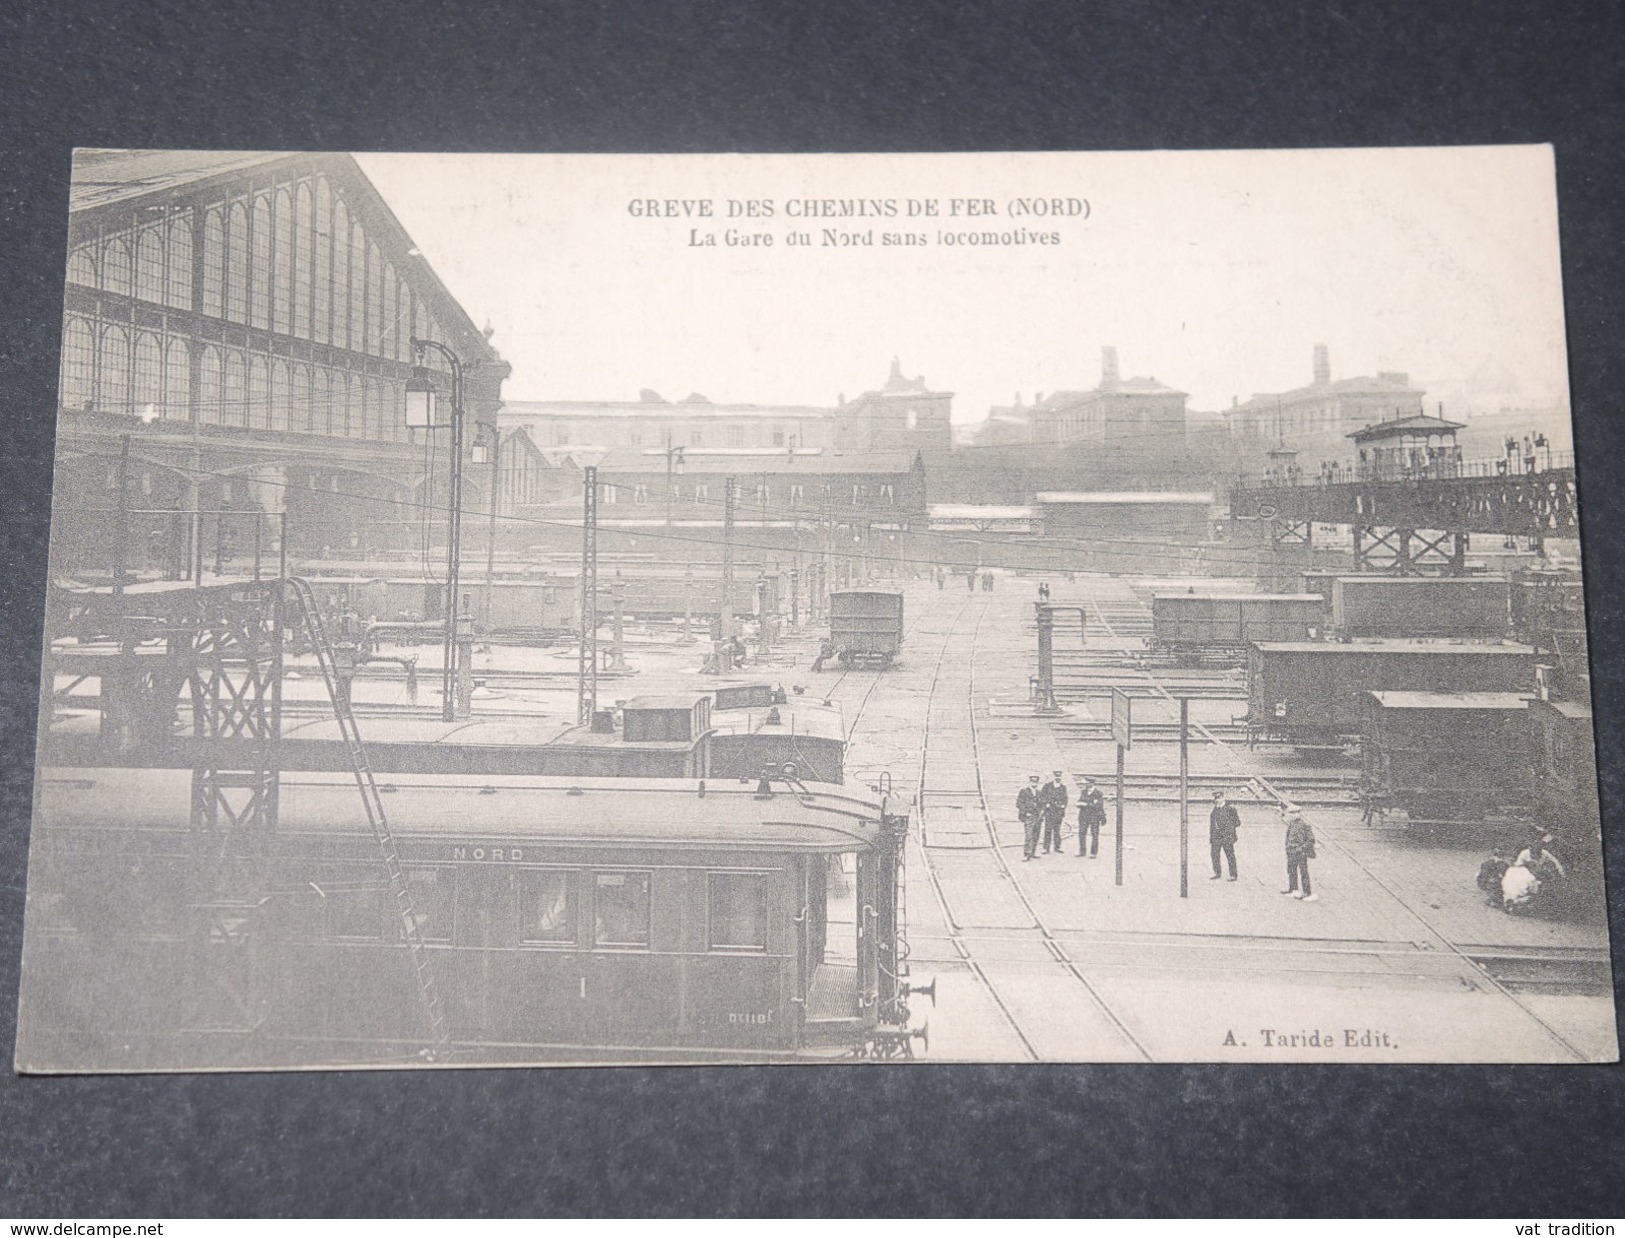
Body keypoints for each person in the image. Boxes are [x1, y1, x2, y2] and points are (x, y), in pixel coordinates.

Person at [1282, 810, 1317, 901]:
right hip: (1292, 851)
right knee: (1291, 870)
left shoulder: (1305, 825)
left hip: (1301, 852)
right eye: (1291, 814)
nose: (1293, 815)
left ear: (1299, 814)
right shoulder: (1292, 824)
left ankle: (1307, 892)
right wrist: (1288, 847)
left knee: (1303, 872)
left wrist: (1301, 848)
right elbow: (1288, 837)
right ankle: (1293, 889)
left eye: (1295, 813)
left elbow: (1311, 840)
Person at [1208, 790, 1240, 881]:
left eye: (1218, 798)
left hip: (1227, 837)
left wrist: (1228, 828)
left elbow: (1237, 822)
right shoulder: (1215, 810)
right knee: (1214, 855)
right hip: (1216, 837)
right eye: (1215, 798)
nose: (1217, 800)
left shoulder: (1230, 809)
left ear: (1223, 797)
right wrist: (1211, 837)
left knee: (1230, 855)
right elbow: (1212, 825)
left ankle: (1233, 874)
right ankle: (1217, 873)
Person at [1039, 769, 1069, 855]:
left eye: (1059, 776)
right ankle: (1045, 848)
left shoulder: (1063, 787)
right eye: (1056, 776)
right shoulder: (1047, 786)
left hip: (1058, 812)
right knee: (1048, 830)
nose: (1058, 778)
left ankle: (1057, 847)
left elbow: (1065, 799)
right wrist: (1046, 805)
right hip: (1049, 811)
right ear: (1054, 777)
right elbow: (1042, 797)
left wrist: (1063, 806)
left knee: (1057, 830)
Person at [1076, 776, 1107, 858]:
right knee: (1081, 834)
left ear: (1092, 783)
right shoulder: (1083, 792)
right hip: (1083, 816)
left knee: (1094, 835)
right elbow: (1080, 801)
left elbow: (1098, 806)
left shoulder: (1098, 793)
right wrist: (1079, 804)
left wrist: (1086, 804)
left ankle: (1093, 853)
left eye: (1087, 783)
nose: (1085, 784)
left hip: (1094, 817)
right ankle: (1082, 851)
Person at [1017, 774, 1043, 862]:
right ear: (1029, 782)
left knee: (1036, 835)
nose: (1034, 784)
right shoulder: (1024, 791)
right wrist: (1026, 813)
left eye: (1036, 782)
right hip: (1029, 816)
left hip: (1038, 817)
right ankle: (1026, 854)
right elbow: (1019, 804)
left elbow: (1042, 804)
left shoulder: (1039, 793)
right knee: (1029, 835)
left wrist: (1042, 812)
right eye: (1032, 782)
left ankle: (1033, 852)